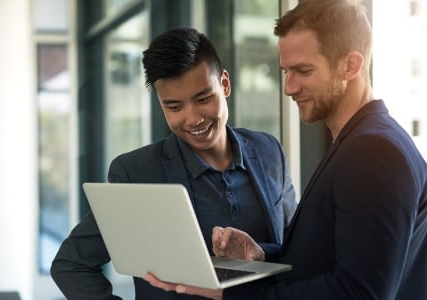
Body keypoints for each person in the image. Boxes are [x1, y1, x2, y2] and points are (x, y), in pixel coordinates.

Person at [145, 0, 427, 299]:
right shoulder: (363, 142)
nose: (289, 87)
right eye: (286, 72)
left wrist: (229, 294)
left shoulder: (372, 151)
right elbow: (329, 261)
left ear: (351, 65)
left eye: (303, 71)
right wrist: (262, 256)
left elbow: (358, 293)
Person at [50, 27, 297, 299]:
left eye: (203, 99)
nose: (192, 119)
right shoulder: (137, 173)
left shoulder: (269, 150)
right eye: (174, 107)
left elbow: (296, 249)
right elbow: (71, 264)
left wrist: (260, 254)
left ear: (225, 84)